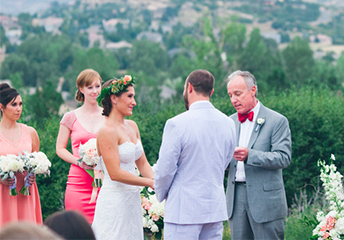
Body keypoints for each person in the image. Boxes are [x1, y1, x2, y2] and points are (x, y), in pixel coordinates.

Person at [154, 70, 236, 240]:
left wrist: (161, 195)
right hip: (214, 210)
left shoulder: (176, 124)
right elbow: (226, 161)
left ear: (189, 87)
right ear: (211, 92)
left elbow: (165, 170)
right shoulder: (228, 123)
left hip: (183, 211)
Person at [225, 70, 292, 240]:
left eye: (238, 94)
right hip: (235, 197)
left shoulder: (277, 120)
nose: (233, 100)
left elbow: (283, 157)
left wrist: (250, 155)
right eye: (230, 95)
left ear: (253, 90)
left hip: (266, 200)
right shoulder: (228, 122)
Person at [91, 75, 154, 240]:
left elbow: (143, 164)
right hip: (114, 201)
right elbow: (115, 173)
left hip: (132, 201)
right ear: (114, 98)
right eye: (130, 96)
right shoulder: (107, 131)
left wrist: (158, 182)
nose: (134, 102)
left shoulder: (133, 126)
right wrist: (148, 183)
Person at [56, 69, 106, 223]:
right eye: (90, 87)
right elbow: (60, 149)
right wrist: (79, 161)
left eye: (97, 86)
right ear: (81, 89)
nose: (95, 91)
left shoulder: (109, 115)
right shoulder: (70, 117)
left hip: (104, 182)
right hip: (77, 184)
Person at [0, 83, 42, 227]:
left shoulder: (30, 132)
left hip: (26, 193)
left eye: (20, 104)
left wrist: (33, 175)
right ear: (1, 107)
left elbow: (36, 161)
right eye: (14, 104)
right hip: (3, 194)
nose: (19, 108)